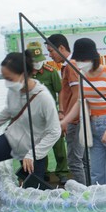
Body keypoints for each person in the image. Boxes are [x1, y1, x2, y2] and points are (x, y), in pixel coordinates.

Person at [0, 51, 61, 212]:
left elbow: (55, 131)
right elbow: (8, 112)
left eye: (9, 78)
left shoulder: (43, 98)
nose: (7, 83)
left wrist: (32, 154)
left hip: (33, 148)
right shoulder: (14, 90)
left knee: (34, 195)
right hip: (11, 140)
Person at [60, 38, 106, 185]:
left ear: (94, 58)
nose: (80, 64)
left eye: (83, 60)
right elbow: (80, 102)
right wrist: (64, 121)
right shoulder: (82, 76)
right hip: (94, 125)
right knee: (97, 174)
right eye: (78, 60)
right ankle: (101, 204)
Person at [46, 34, 87, 185]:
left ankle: (84, 195)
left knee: (75, 161)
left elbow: (77, 94)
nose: (50, 55)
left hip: (76, 120)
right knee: (82, 159)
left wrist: (66, 119)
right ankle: (89, 190)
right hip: (76, 118)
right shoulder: (68, 66)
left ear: (61, 47)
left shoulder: (71, 66)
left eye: (51, 51)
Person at [28, 41, 69, 184]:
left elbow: (61, 91)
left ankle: (62, 172)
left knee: (58, 146)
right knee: (38, 146)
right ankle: (42, 173)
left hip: (51, 115)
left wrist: (61, 111)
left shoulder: (50, 72)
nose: (37, 64)